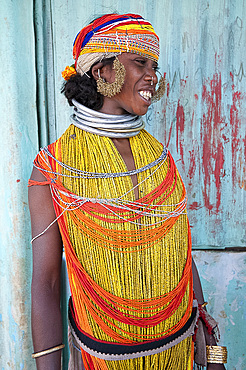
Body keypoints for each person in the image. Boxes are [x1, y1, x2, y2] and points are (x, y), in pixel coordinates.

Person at [28, 13, 227, 370]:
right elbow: (46, 281)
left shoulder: (160, 160)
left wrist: (211, 346)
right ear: (102, 72)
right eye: (140, 62)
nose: (153, 75)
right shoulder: (54, 167)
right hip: (102, 358)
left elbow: (180, 252)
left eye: (155, 65)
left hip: (177, 350)